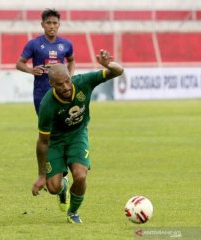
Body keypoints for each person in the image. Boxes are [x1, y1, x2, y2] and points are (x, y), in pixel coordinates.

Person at [31, 50, 124, 223]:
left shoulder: (84, 82)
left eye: (67, 81)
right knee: (53, 188)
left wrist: (108, 65)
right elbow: (42, 143)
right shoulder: (47, 105)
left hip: (77, 135)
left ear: (70, 76)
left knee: (80, 176)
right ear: (51, 84)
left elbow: (119, 71)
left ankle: (73, 212)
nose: (66, 87)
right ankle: (62, 187)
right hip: (56, 142)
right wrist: (42, 175)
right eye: (60, 84)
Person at [16, 8, 75, 115]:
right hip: (41, 92)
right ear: (42, 24)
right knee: (45, 125)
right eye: (48, 23)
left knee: (63, 124)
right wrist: (31, 70)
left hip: (61, 91)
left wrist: (69, 75)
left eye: (54, 23)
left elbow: (71, 61)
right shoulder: (34, 44)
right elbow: (19, 64)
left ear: (59, 24)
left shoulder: (66, 44)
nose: (52, 26)